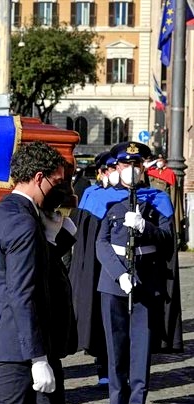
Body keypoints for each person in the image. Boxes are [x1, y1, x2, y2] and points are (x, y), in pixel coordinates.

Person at [0, 142, 67, 404]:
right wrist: (38, 358)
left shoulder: (1, 212)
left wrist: (54, 239)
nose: (61, 189)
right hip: (18, 339)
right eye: (58, 181)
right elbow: (22, 292)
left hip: (14, 331)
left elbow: (31, 270)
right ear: (39, 178)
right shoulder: (23, 223)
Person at [96, 141, 175, 404]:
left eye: (136, 164)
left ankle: (138, 400)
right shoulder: (105, 199)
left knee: (141, 342)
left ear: (143, 167)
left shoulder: (157, 199)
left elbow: (168, 241)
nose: (131, 169)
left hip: (146, 276)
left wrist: (146, 227)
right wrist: (119, 273)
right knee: (115, 342)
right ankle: (116, 400)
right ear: (116, 167)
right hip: (114, 279)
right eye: (126, 165)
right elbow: (101, 243)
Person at [69, 152, 119, 386]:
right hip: (97, 267)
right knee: (99, 318)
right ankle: (103, 367)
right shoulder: (92, 196)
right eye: (108, 169)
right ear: (101, 173)